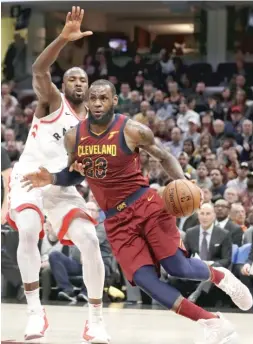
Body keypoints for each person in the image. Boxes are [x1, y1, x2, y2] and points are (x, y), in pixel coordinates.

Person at [23, 79, 253, 343]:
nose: (98, 103)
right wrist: (51, 178)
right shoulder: (74, 137)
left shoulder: (132, 130)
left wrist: (186, 183)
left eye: (104, 98)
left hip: (146, 205)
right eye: (93, 98)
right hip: (115, 220)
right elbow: (75, 175)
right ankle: (211, 322)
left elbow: (165, 157)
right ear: (86, 101)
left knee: (177, 267)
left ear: (114, 101)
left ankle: (219, 275)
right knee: (146, 281)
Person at [7, 8, 108, 343]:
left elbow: (77, 176)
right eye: (73, 79)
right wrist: (64, 38)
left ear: (91, 88)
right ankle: (35, 311)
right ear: (64, 84)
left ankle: (95, 319)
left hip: (57, 184)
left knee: (91, 241)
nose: (78, 83)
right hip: (28, 176)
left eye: (84, 80)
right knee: (29, 230)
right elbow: (38, 69)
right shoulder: (51, 101)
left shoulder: (92, 131)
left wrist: (60, 180)